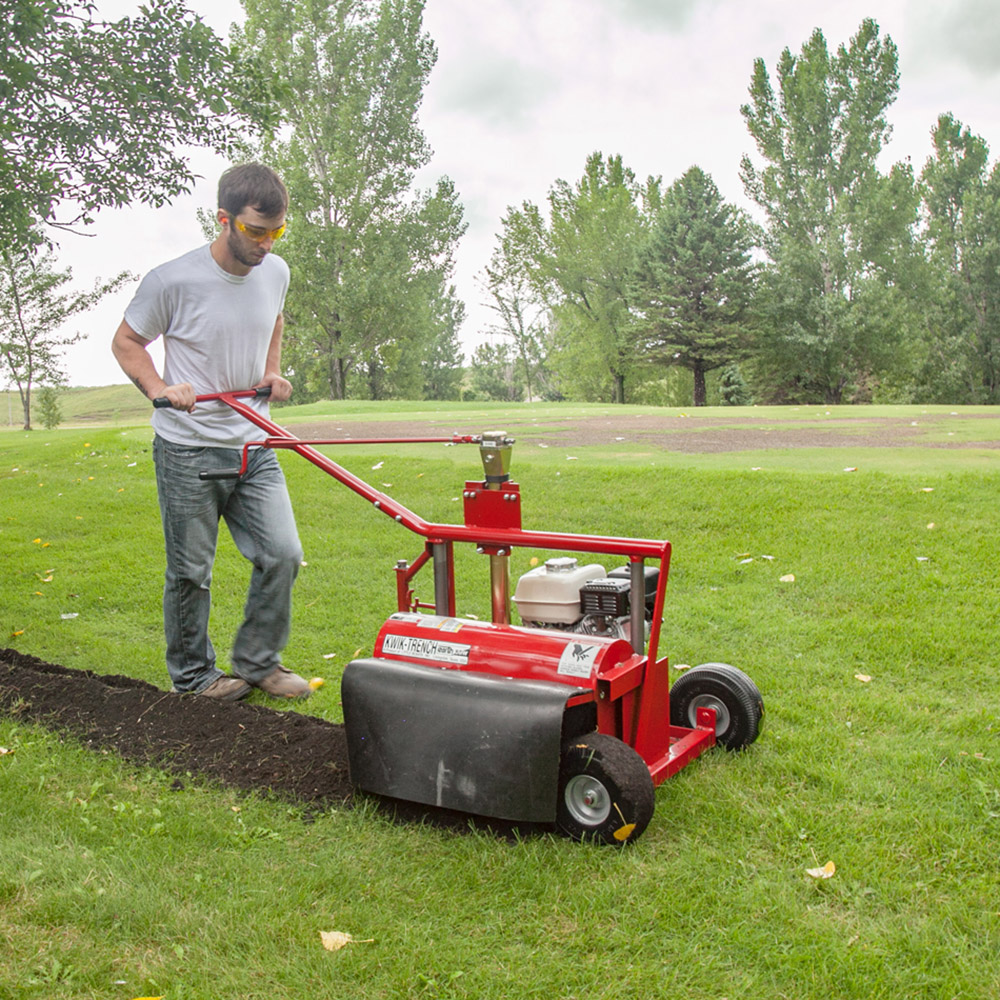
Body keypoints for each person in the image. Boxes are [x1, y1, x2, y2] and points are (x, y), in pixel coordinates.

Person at [111, 163, 310, 701]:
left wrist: (271, 371)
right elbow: (127, 341)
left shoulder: (276, 272)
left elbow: (274, 319)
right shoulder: (172, 279)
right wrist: (160, 386)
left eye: (277, 232)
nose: (266, 244)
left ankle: (258, 661)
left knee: (283, 554)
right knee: (191, 572)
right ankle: (195, 678)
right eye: (255, 231)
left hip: (254, 441)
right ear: (223, 219)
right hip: (188, 447)